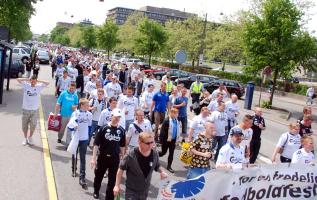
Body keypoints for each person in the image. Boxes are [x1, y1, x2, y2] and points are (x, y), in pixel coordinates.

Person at [113, 132, 168, 199]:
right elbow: (121, 169)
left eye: (152, 142)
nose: (151, 145)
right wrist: (117, 185)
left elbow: (157, 165)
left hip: (145, 191)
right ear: (139, 142)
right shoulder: (130, 155)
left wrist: (162, 172)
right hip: (131, 191)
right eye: (148, 143)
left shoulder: (154, 153)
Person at [91, 108, 126, 200]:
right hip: (103, 157)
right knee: (99, 176)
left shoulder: (122, 131)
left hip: (114, 159)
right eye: (116, 116)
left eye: (119, 117)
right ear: (111, 116)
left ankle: (109, 197)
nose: (117, 119)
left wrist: (123, 158)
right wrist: (93, 158)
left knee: (112, 180)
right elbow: (96, 144)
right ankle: (96, 191)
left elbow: (122, 146)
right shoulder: (103, 128)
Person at [17, 76, 49, 145]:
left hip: (34, 110)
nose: (33, 82)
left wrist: (38, 80)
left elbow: (47, 83)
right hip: (25, 109)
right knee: (24, 125)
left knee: (33, 125)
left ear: (36, 81)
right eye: (32, 81)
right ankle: (25, 138)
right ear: (30, 80)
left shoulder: (38, 87)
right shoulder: (26, 85)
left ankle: (30, 137)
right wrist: (27, 79)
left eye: (34, 81)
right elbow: (18, 79)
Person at [68, 98, 92, 187]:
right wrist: (74, 126)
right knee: (74, 154)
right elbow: (70, 126)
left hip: (84, 139)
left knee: (83, 158)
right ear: (82, 105)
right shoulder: (75, 113)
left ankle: (82, 177)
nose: (88, 106)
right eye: (87, 105)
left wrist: (88, 137)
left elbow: (89, 127)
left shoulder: (89, 114)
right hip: (76, 138)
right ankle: (73, 169)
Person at [159, 108, 181, 173]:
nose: (177, 115)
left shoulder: (176, 120)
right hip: (166, 140)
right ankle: (155, 155)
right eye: (176, 113)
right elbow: (162, 131)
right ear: (172, 113)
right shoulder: (167, 120)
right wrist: (161, 141)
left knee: (171, 153)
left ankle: (169, 166)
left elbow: (177, 129)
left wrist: (177, 139)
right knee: (163, 153)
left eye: (177, 113)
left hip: (173, 140)